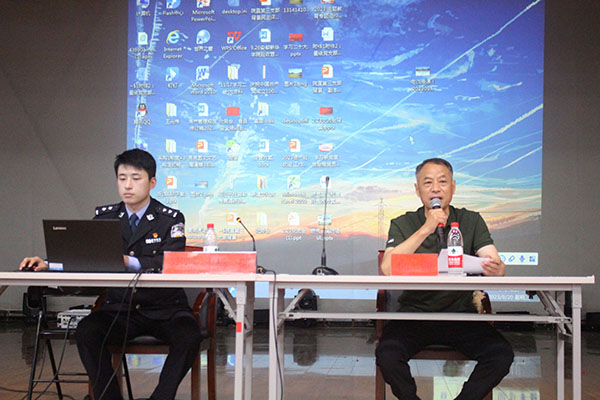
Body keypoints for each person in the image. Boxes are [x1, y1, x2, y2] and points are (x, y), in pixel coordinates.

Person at [20, 149, 203, 400]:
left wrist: (128, 261)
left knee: (189, 334)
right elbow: (84, 256)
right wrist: (48, 263)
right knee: (87, 331)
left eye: (136, 178)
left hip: (164, 308)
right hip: (119, 308)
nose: (127, 185)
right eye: (122, 178)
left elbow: (170, 261)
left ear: (152, 182)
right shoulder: (105, 217)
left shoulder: (169, 219)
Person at [375, 158, 514, 400]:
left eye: (442, 182)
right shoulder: (403, 223)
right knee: (387, 355)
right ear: (417, 189)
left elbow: (493, 261)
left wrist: (495, 267)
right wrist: (427, 228)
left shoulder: (471, 220)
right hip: (414, 317)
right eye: (428, 183)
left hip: (461, 317)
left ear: (453, 186)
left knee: (500, 354)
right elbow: (387, 268)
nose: (436, 189)